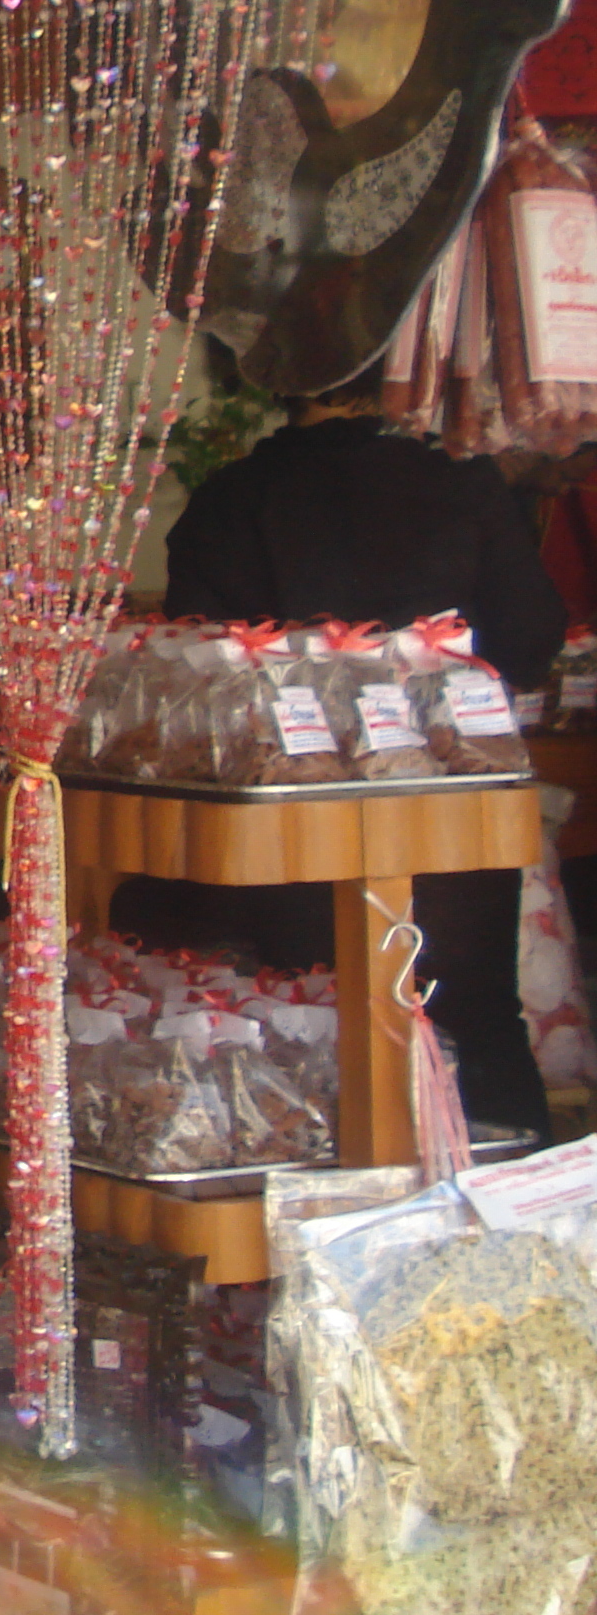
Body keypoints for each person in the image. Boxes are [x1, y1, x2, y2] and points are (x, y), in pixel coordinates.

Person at [122, 358, 568, 1137]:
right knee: (472, 1011)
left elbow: (197, 667)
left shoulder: (231, 498)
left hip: (292, 811)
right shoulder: (460, 484)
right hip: (444, 801)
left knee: (302, 1018)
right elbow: (531, 635)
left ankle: (329, 1225)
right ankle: (510, 1226)